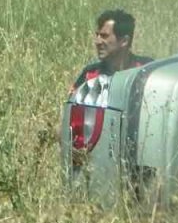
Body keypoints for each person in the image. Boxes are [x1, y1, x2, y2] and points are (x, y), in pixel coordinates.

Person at [65, 9, 152, 165]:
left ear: (124, 41)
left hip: (144, 152)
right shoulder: (90, 75)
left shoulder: (146, 70)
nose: (97, 41)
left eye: (104, 36)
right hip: (101, 158)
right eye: (97, 35)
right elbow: (67, 119)